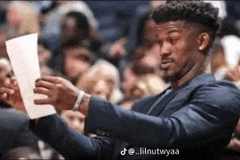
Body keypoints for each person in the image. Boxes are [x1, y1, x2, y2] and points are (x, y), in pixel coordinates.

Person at [2, 1, 240, 159]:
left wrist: (80, 101)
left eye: (173, 39)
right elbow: (95, 153)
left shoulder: (221, 94)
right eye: (160, 41)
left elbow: (171, 134)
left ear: (202, 41)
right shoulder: (144, 105)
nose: (163, 50)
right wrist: (39, 110)